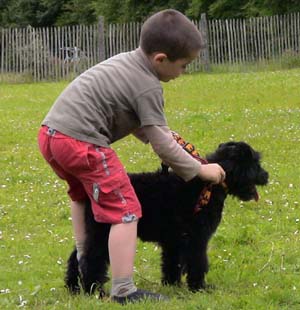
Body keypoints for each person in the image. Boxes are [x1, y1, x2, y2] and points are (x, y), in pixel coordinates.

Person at [38, 9, 225, 304]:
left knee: (82, 197)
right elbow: (162, 145)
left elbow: (138, 122)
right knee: (125, 209)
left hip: (51, 135)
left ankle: (86, 266)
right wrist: (201, 171)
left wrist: (165, 135)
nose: (184, 72)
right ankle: (124, 290)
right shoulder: (148, 85)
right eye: (184, 65)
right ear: (160, 59)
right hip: (83, 142)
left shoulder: (127, 61)